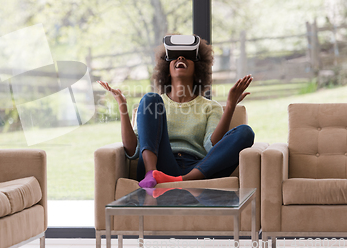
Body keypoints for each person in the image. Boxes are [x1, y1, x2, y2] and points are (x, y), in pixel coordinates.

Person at [97, 37, 254, 188]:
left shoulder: (210, 107)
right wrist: (123, 108)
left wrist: (230, 105)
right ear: (167, 67)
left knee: (245, 132)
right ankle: (151, 174)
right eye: (174, 56)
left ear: (198, 67)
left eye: (188, 56)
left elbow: (211, 147)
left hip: (197, 168)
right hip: (160, 163)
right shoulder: (154, 103)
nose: (180, 57)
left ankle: (182, 180)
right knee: (150, 98)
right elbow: (133, 150)